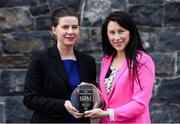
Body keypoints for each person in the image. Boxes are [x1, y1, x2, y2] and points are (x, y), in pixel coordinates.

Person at [23, 5, 97, 123]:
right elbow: (30, 99)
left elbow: (92, 95)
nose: (70, 32)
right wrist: (63, 105)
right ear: (54, 30)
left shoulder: (88, 61)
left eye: (74, 27)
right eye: (65, 27)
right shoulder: (40, 59)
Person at [84, 10, 155, 123]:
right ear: (107, 35)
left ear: (130, 33)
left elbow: (140, 104)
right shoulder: (106, 60)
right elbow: (109, 97)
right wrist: (92, 91)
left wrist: (108, 113)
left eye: (121, 31)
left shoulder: (142, 60)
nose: (116, 37)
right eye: (112, 32)